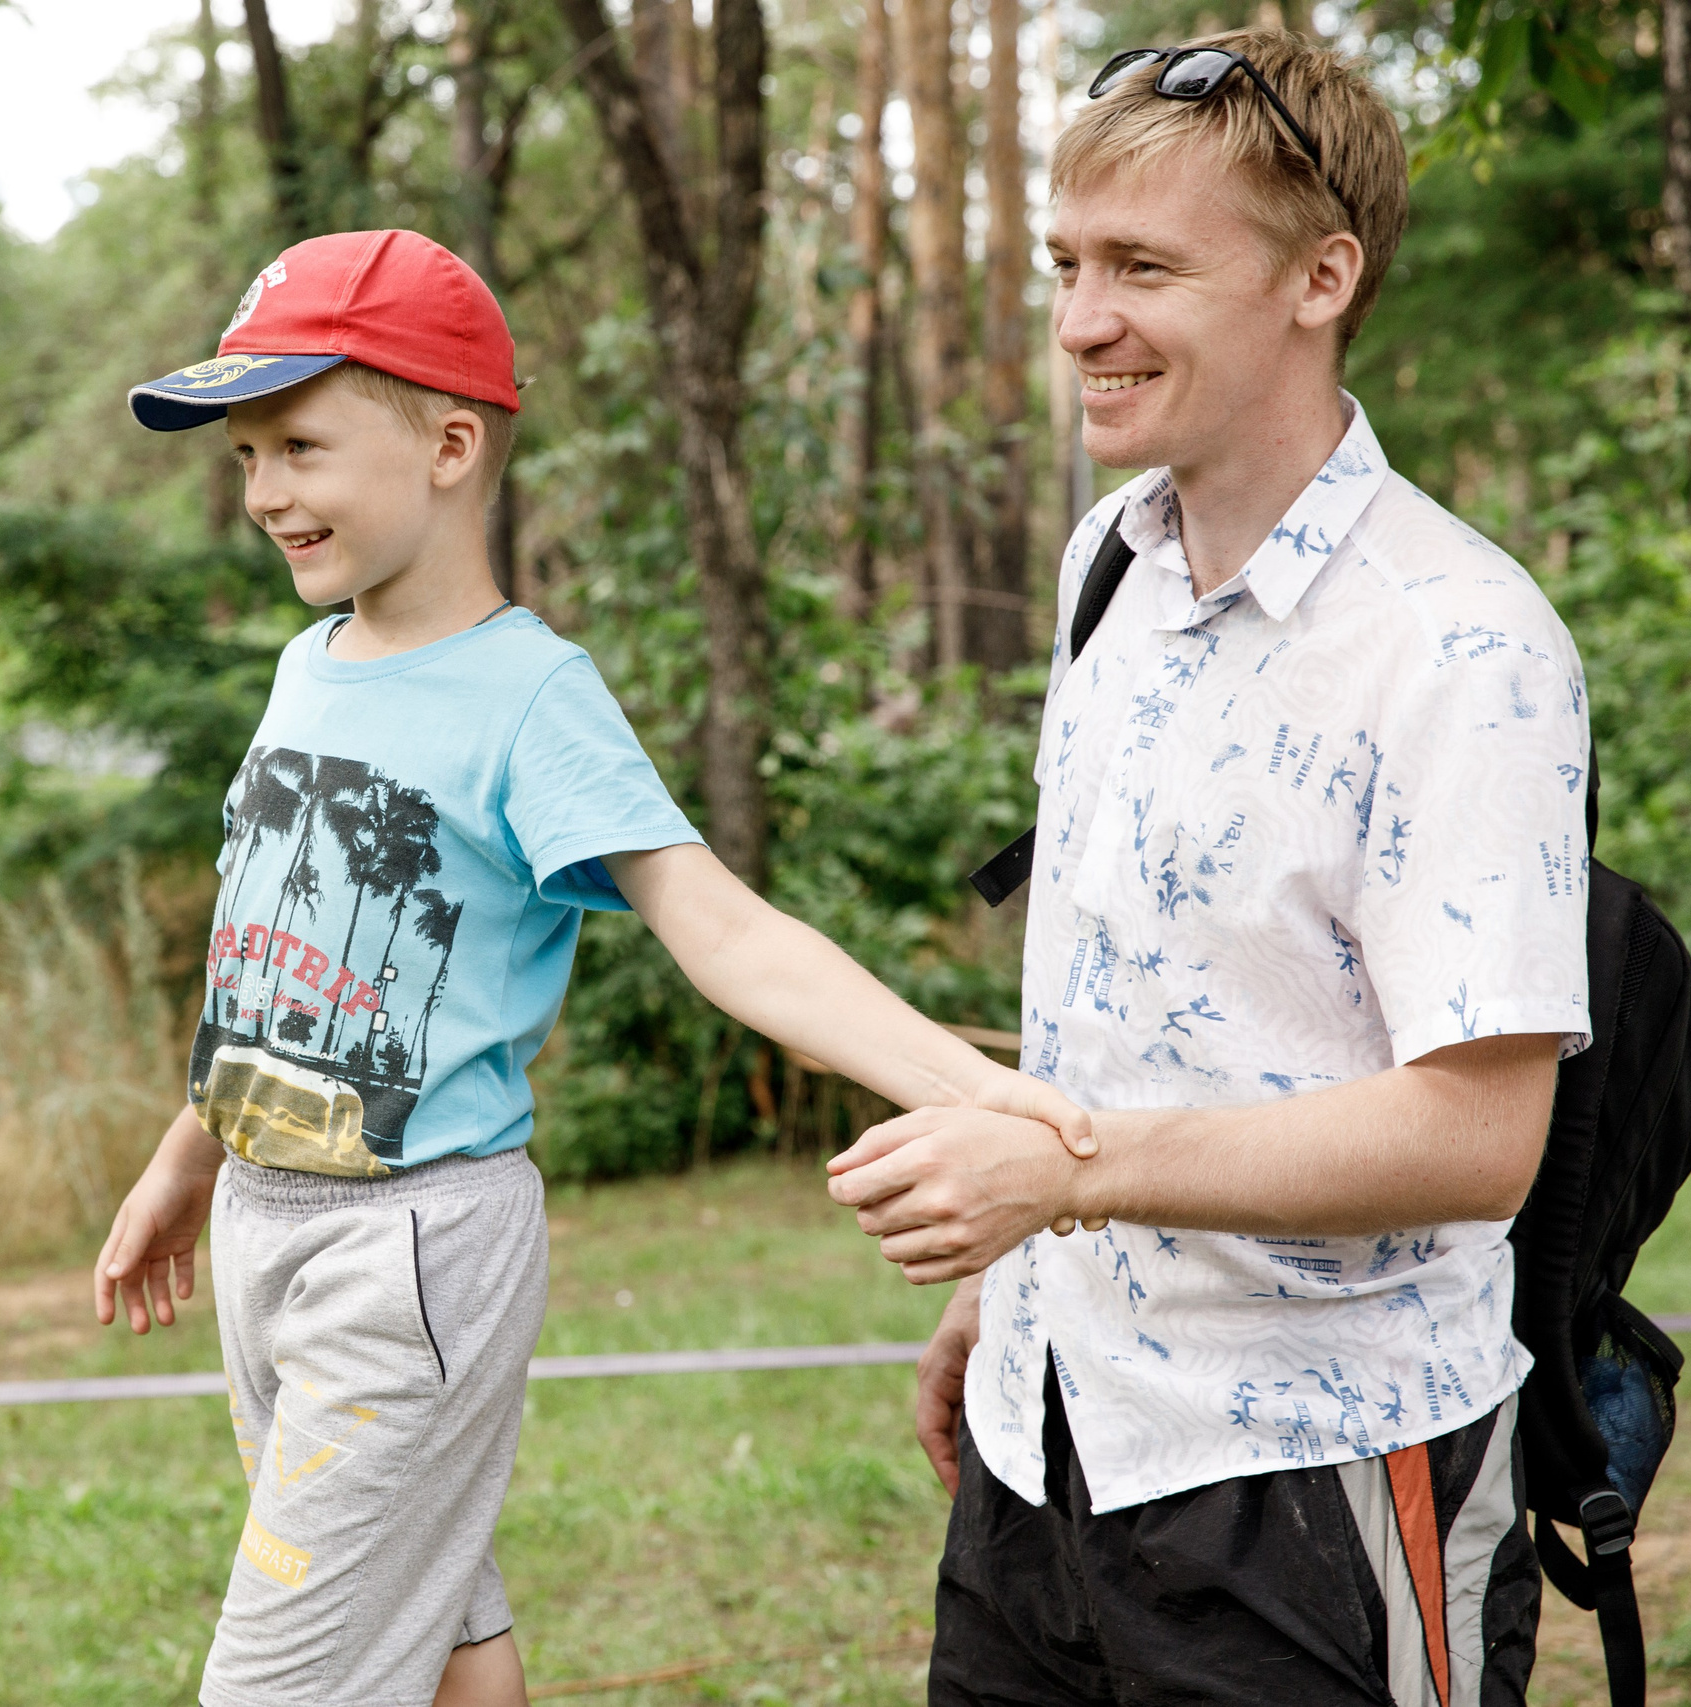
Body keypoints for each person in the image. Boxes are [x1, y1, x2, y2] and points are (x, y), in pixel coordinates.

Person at [95, 227, 1092, 1707]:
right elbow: (279, 962)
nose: (262, 495)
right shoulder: (310, 667)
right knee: (439, 1640)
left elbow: (727, 931)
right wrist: (192, 1151)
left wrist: (984, 1091)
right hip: (264, 1222)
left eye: (298, 444)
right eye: (244, 456)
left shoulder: (530, 696)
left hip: (410, 1252)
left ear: (448, 443)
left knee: (281, 1678)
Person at [825, 30, 1591, 1707]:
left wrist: (1072, 1178)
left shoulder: (1462, 642)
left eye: (1144, 268)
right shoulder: (1113, 562)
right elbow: (1129, 999)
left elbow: (1480, 1132)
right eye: (1068, 266)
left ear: (1322, 277)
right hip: (1052, 1448)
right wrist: (1024, 1292)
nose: (1081, 320)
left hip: (1316, 1472)